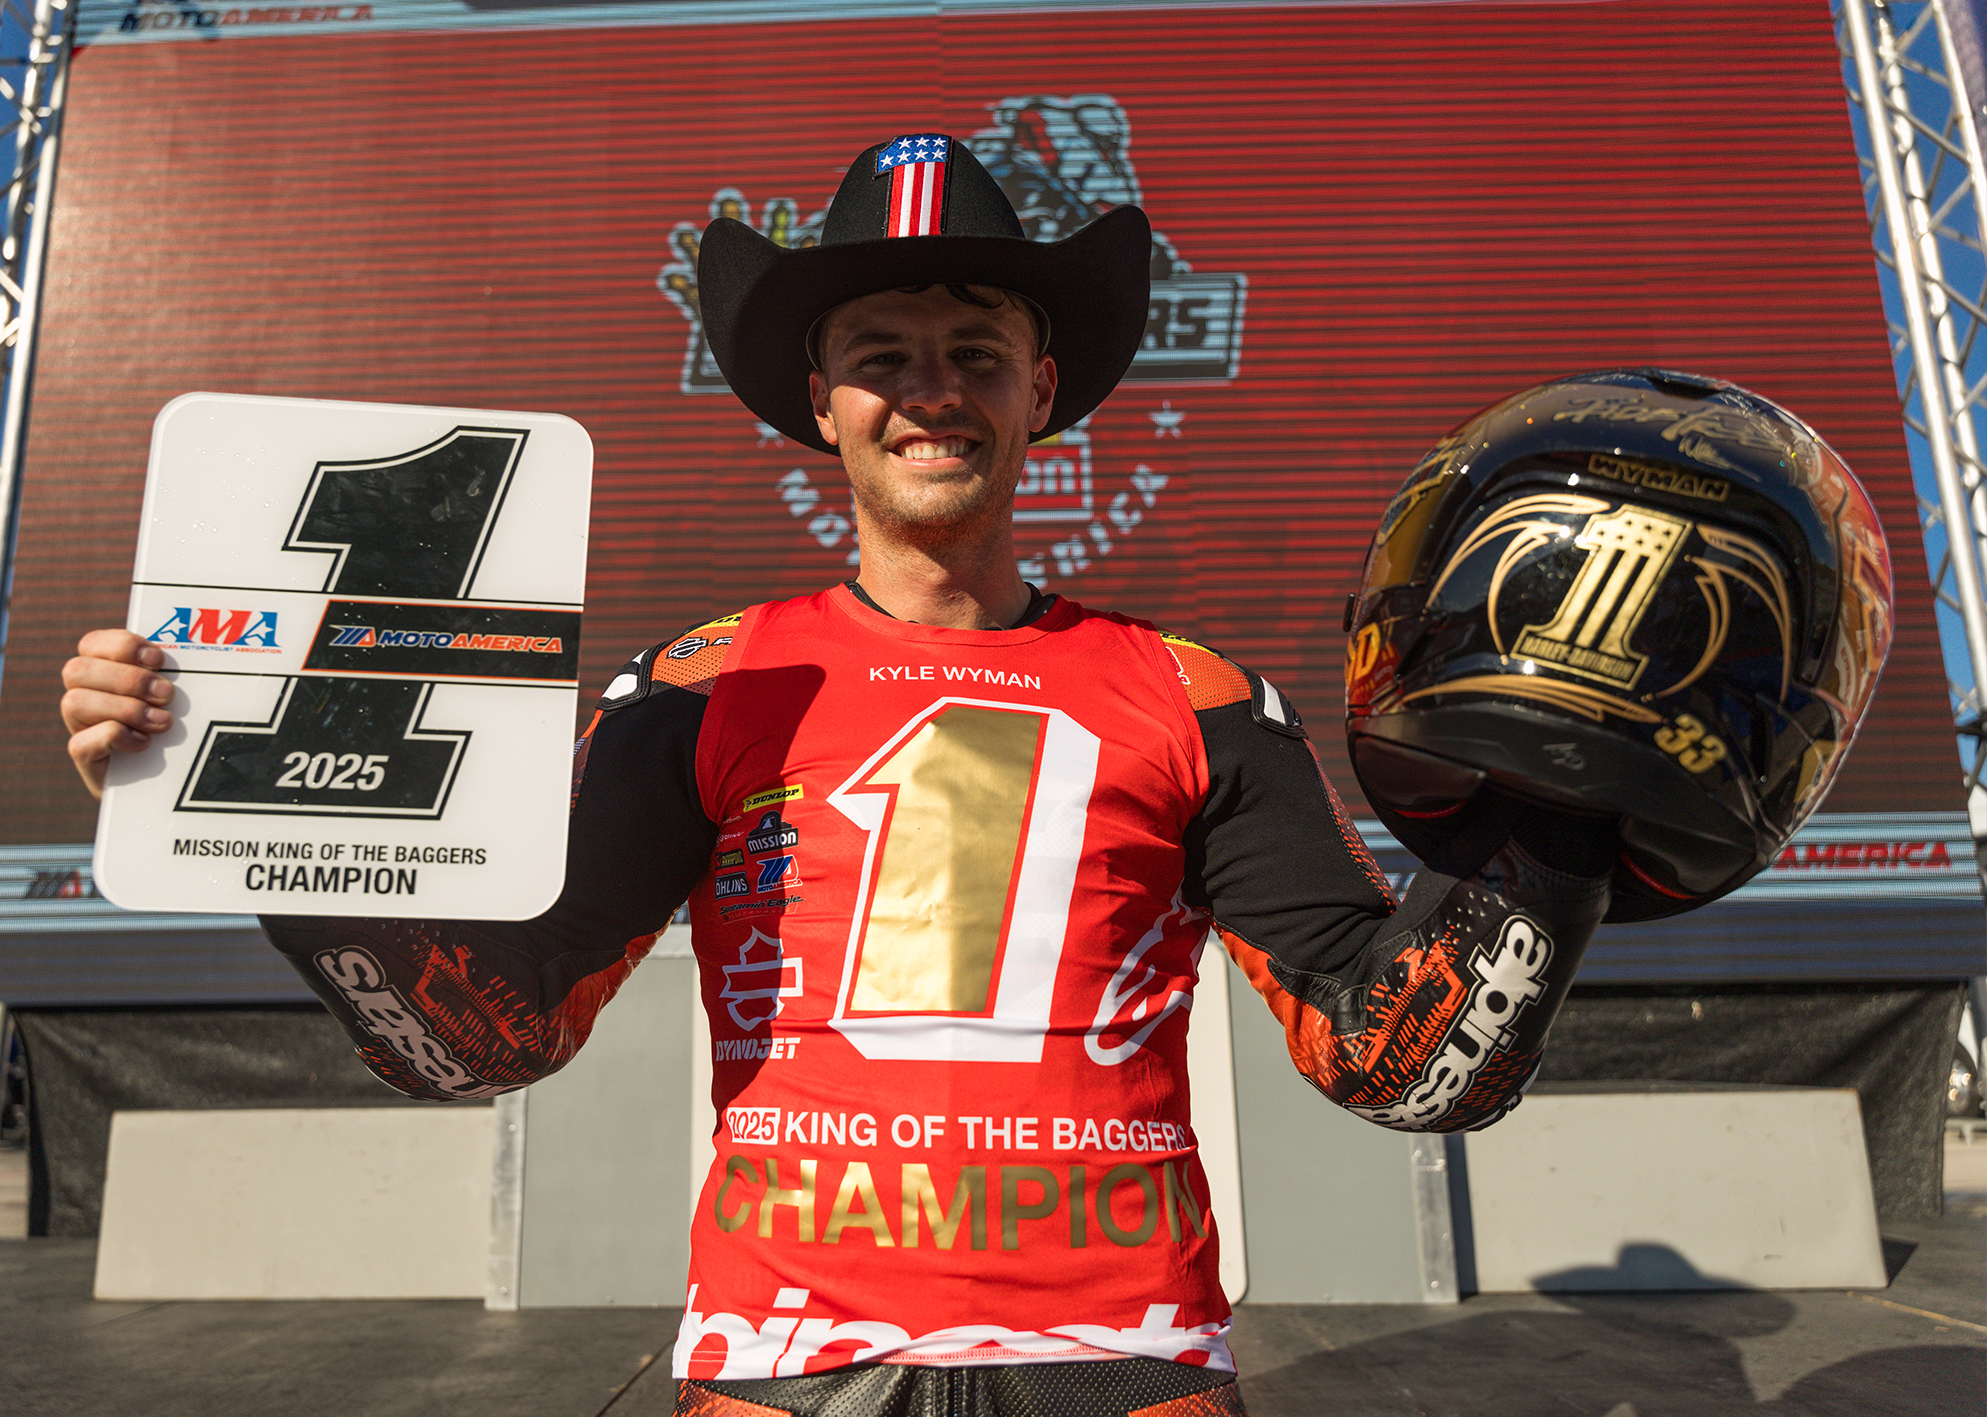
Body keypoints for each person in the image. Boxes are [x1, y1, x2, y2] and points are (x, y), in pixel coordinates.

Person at [60, 135, 1612, 1417]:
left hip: (1129, 1373)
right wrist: (252, 811)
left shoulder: (1200, 696)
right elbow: (491, 1034)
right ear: (823, 404)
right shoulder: (705, 686)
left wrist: (1567, 820)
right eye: (884, 356)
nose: (930, 389)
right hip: (781, 1380)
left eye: (974, 354)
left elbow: (1400, 1059)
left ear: (1038, 393)